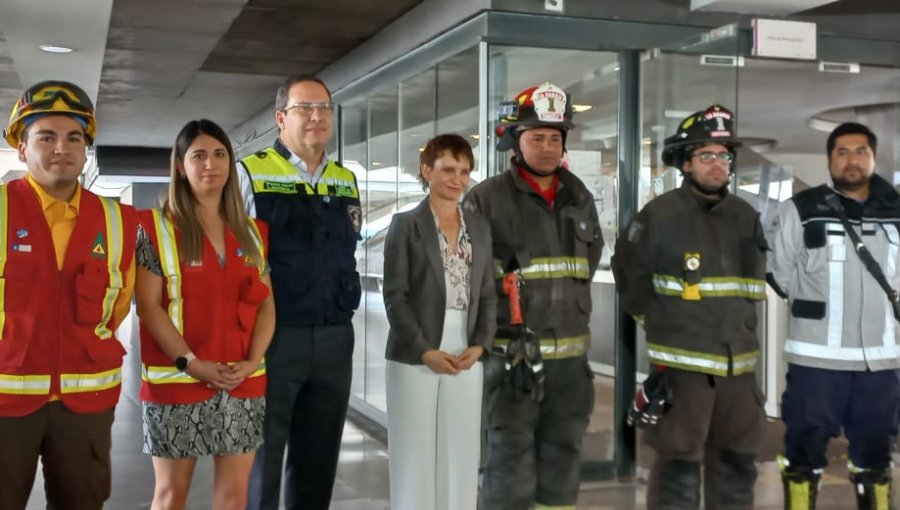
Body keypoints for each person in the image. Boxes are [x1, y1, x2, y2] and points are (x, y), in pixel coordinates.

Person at [612, 104, 768, 510]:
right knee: (678, 469)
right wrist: (662, 326)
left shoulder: (745, 216)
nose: (718, 165)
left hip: (738, 370)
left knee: (736, 467)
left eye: (724, 156)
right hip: (684, 371)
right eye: (707, 156)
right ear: (685, 163)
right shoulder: (658, 216)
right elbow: (630, 278)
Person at [464, 82, 603, 509]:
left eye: (555, 138)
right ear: (516, 141)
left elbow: (589, 261)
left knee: (563, 466)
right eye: (537, 137)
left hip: (570, 369)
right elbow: (468, 279)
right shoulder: (486, 199)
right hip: (512, 366)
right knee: (508, 467)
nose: (547, 147)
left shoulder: (579, 196)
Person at [0, 81, 137, 509]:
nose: (62, 147)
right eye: (46, 136)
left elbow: (117, 308)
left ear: (86, 148)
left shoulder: (118, 221)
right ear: (22, 149)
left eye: (74, 137)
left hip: (86, 404)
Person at [135, 119, 275, 509]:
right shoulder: (155, 228)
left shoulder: (253, 232)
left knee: (234, 496)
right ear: (180, 165)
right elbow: (148, 306)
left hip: (240, 382)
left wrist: (251, 362)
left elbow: (267, 305)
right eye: (198, 156)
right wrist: (191, 363)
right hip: (177, 382)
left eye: (219, 154)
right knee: (170, 495)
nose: (210, 164)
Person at [240, 75, 361, 510]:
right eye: (304, 108)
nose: (316, 117)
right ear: (280, 118)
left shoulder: (346, 179)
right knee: (262, 456)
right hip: (274, 337)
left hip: (334, 337)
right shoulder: (250, 173)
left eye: (324, 108)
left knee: (320, 456)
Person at [766, 122, 900, 510]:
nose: (852, 159)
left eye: (861, 151)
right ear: (829, 160)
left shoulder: (897, 211)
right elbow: (780, 271)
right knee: (804, 446)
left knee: (876, 449)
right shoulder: (801, 210)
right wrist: (819, 311)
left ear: (874, 157)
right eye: (842, 152)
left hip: (882, 360)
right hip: (816, 358)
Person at [382, 134, 497, 510]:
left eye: (464, 171)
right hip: (415, 349)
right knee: (414, 452)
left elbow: (488, 292)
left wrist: (481, 344)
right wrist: (423, 350)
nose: (458, 179)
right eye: (449, 169)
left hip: (466, 347)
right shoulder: (405, 225)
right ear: (427, 170)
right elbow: (394, 296)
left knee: (461, 451)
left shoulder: (479, 227)